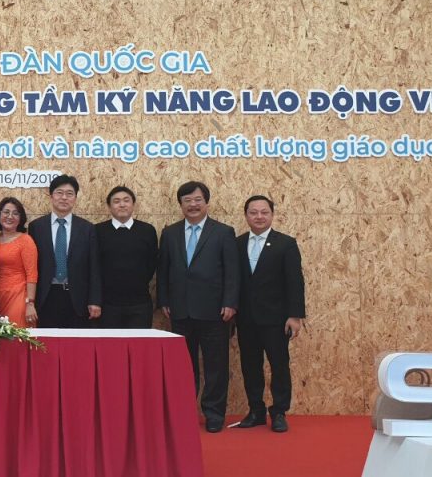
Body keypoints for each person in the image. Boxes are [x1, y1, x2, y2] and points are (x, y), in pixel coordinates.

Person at [157, 181, 240, 433]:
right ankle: (184, 412)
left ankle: (214, 414)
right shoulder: (170, 233)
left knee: (216, 366)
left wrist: (230, 302)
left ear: (206, 202)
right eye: (187, 201)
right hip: (180, 311)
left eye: (197, 200)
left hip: (215, 312)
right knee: (183, 366)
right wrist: (164, 300)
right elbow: (163, 270)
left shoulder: (223, 232)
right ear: (180, 204)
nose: (192, 205)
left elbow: (232, 272)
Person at [234, 195, 306, 433]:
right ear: (246, 216)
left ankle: (279, 412)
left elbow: (295, 281)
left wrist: (295, 315)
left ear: (272, 215)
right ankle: (256, 411)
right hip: (246, 318)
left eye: (264, 212)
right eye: (253, 212)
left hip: (276, 319)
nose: (259, 217)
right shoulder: (237, 243)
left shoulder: (285, 243)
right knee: (250, 365)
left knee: (279, 365)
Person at [28, 174, 101, 328]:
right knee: (47, 341)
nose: (64, 198)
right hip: (46, 296)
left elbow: (94, 266)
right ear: (51, 196)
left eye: (69, 194)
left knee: (76, 341)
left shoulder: (87, 228)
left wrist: (95, 300)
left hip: (77, 298)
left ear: (75, 198)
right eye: (59, 193)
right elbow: (31, 266)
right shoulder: (36, 227)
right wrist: (30, 301)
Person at [95, 186, 158, 328]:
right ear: (109, 207)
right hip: (107, 305)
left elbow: (152, 263)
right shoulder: (98, 231)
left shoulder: (147, 230)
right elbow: (94, 266)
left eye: (126, 200)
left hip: (140, 304)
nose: (122, 204)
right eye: (116, 201)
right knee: (110, 342)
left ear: (133, 204)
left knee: (139, 342)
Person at [0, 197, 38, 327]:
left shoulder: (26, 241)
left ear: (20, 218)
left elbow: (32, 274)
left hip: (18, 297)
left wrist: (30, 303)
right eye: (6, 212)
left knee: (16, 335)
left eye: (15, 213)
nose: (10, 216)